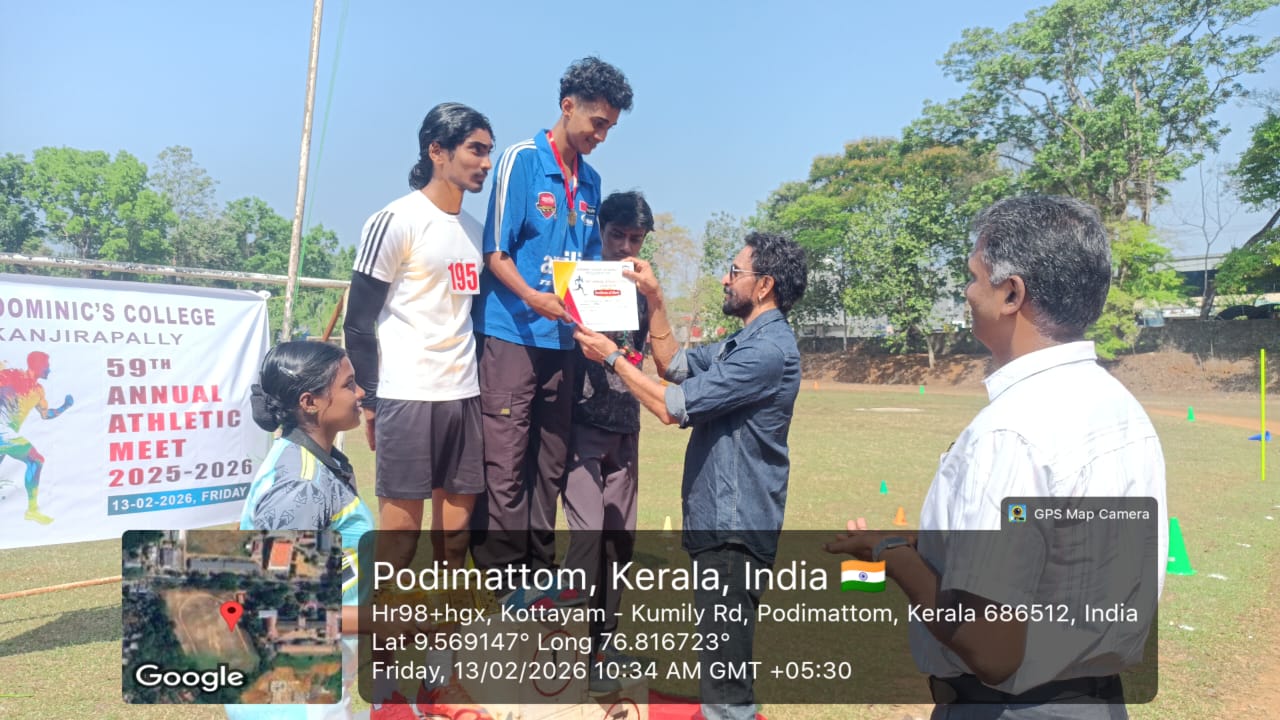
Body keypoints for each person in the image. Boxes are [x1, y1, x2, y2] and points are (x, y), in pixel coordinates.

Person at [825, 195, 1168, 719]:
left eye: (974, 276)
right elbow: (1061, 542)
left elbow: (990, 648)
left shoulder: (1010, 432)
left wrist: (893, 557)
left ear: (1011, 294)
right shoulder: (1121, 408)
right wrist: (929, 542)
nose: (966, 292)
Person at [574, 232, 808, 720]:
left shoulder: (767, 352)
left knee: (726, 681)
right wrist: (655, 297)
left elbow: (671, 406)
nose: (725, 279)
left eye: (735, 271)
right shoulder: (746, 342)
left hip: (735, 528)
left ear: (764, 285)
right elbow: (674, 366)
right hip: (717, 522)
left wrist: (612, 358)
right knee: (721, 664)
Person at [342, 102, 495, 717]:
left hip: (465, 399)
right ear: (437, 150)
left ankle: (441, 676)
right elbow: (358, 323)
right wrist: (373, 399)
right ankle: (386, 684)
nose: (485, 161)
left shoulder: (477, 231)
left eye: (488, 150)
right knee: (399, 549)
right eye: (475, 149)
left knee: (454, 544)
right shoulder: (395, 220)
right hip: (407, 398)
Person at [470, 57, 634, 603]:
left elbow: (585, 270)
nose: (601, 136)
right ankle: (502, 578)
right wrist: (532, 297)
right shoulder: (521, 161)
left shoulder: (592, 182)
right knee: (506, 458)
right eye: (597, 123)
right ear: (568, 107)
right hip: (510, 335)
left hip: (562, 343)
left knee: (550, 459)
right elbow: (495, 251)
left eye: (610, 127)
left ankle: (538, 570)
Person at [228, 341, 380, 720]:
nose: (360, 393)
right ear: (310, 402)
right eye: (348, 385)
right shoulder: (300, 487)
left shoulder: (315, 463)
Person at [558, 191, 654, 694]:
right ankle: (568, 649)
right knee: (587, 537)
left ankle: (604, 645)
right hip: (580, 426)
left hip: (625, 426)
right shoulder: (576, 280)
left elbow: (643, 355)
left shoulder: (642, 289)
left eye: (636, 238)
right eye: (617, 235)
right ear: (600, 231)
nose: (625, 247)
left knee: (619, 542)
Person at [0, 350, 72, 524]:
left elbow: (46, 415)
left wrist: (65, 406)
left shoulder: (39, 391)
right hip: (2, 431)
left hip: (8, 434)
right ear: (38, 366)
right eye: (47, 366)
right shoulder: (13, 375)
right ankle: (32, 510)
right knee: (36, 460)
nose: (49, 370)